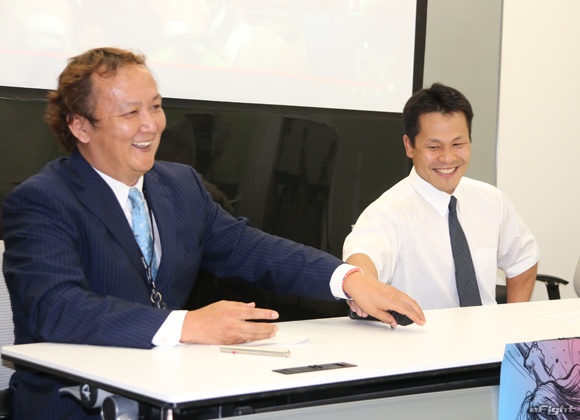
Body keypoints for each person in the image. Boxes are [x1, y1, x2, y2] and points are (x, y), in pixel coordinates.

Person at [1, 47, 425, 419]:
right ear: (80, 127)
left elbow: (251, 249)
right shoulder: (42, 200)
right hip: (76, 407)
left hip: (171, 394)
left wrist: (348, 280)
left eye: (156, 107)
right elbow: (56, 309)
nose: (151, 125)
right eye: (131, 113)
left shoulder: (180, 185)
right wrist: (187, 324)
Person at [343, 83, 540, 314]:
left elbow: (523, 258)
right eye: (434, 146)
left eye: (458, 144)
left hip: (488, 333)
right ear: (409, 146)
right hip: (420, 336)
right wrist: (359, 282)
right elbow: (362, 259)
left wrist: (513, 320)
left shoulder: (492, 200)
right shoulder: (387, 213)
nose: (447, 158)